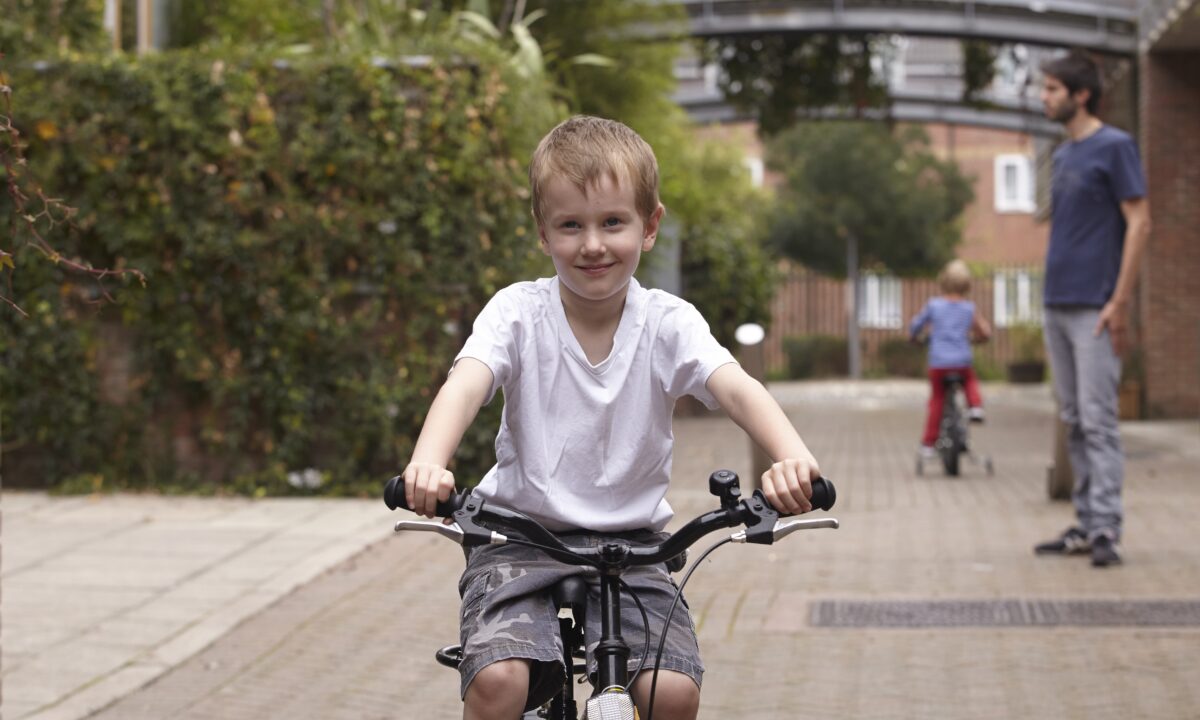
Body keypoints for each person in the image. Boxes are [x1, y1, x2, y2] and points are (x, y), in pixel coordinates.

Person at [401, 115, 821, 720]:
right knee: (499, 681)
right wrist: (428, 463)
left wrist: (792, 458)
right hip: (516, 536)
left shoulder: (669, 323)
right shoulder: (517, 314)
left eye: (612, 222)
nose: (592, 244)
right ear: (543, 234)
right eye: (571, 225)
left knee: (670, 693)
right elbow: (466, 384)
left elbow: (737, 388)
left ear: (649, 226)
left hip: (634, 547)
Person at [1032, 50, 1151, 568]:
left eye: (1054, 89)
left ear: (1081, 95)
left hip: (1096, 308)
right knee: (1075, 418)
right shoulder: (1063, 155)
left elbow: (1141, 223)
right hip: (1057, 304)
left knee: (1099, 421)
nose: (1045, 97)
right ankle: (1085, 522)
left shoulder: (1116, 146)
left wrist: (1120, 302)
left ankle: (1106, 528)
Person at [909, 259, 991, 459]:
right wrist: (979, 338)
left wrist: (914, 337)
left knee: (937, 400)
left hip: (938, 364)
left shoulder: (934, 306)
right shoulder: (969, 308)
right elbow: (985, 332)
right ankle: (976, 407)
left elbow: (915, 326)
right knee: (970, 380)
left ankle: (928, 444)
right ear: (966, 285)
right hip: (961, 362)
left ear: (943, 282)